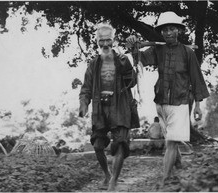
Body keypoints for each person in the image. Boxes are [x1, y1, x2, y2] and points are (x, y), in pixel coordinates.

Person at [126, 11, 209, 184]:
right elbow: (139, 59)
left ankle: (165, 179)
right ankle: (180, 170)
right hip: (161, 102)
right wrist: (133, 46)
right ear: (161, 32)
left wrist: (198, 106)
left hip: (180, 102)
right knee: (170, 141)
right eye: (164, 30)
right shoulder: (158, 49)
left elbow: (197, 80)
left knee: (171, 143)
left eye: (172, 29)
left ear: (179, 30)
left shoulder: (188, 52)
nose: (168, 33)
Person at [79, 23, 139, 191]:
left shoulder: (122, 60)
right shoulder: (93, 64)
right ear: (97, 42)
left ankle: (114, 180)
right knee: (98, 145)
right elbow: (86, 88)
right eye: (101, 41)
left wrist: (126, 66)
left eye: (108, 40)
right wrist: (84, 104)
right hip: (100, 108)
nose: (105, 44)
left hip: (119, 106)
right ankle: (107, 174)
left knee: (120, 144)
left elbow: (132, 81)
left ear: (113, 41)